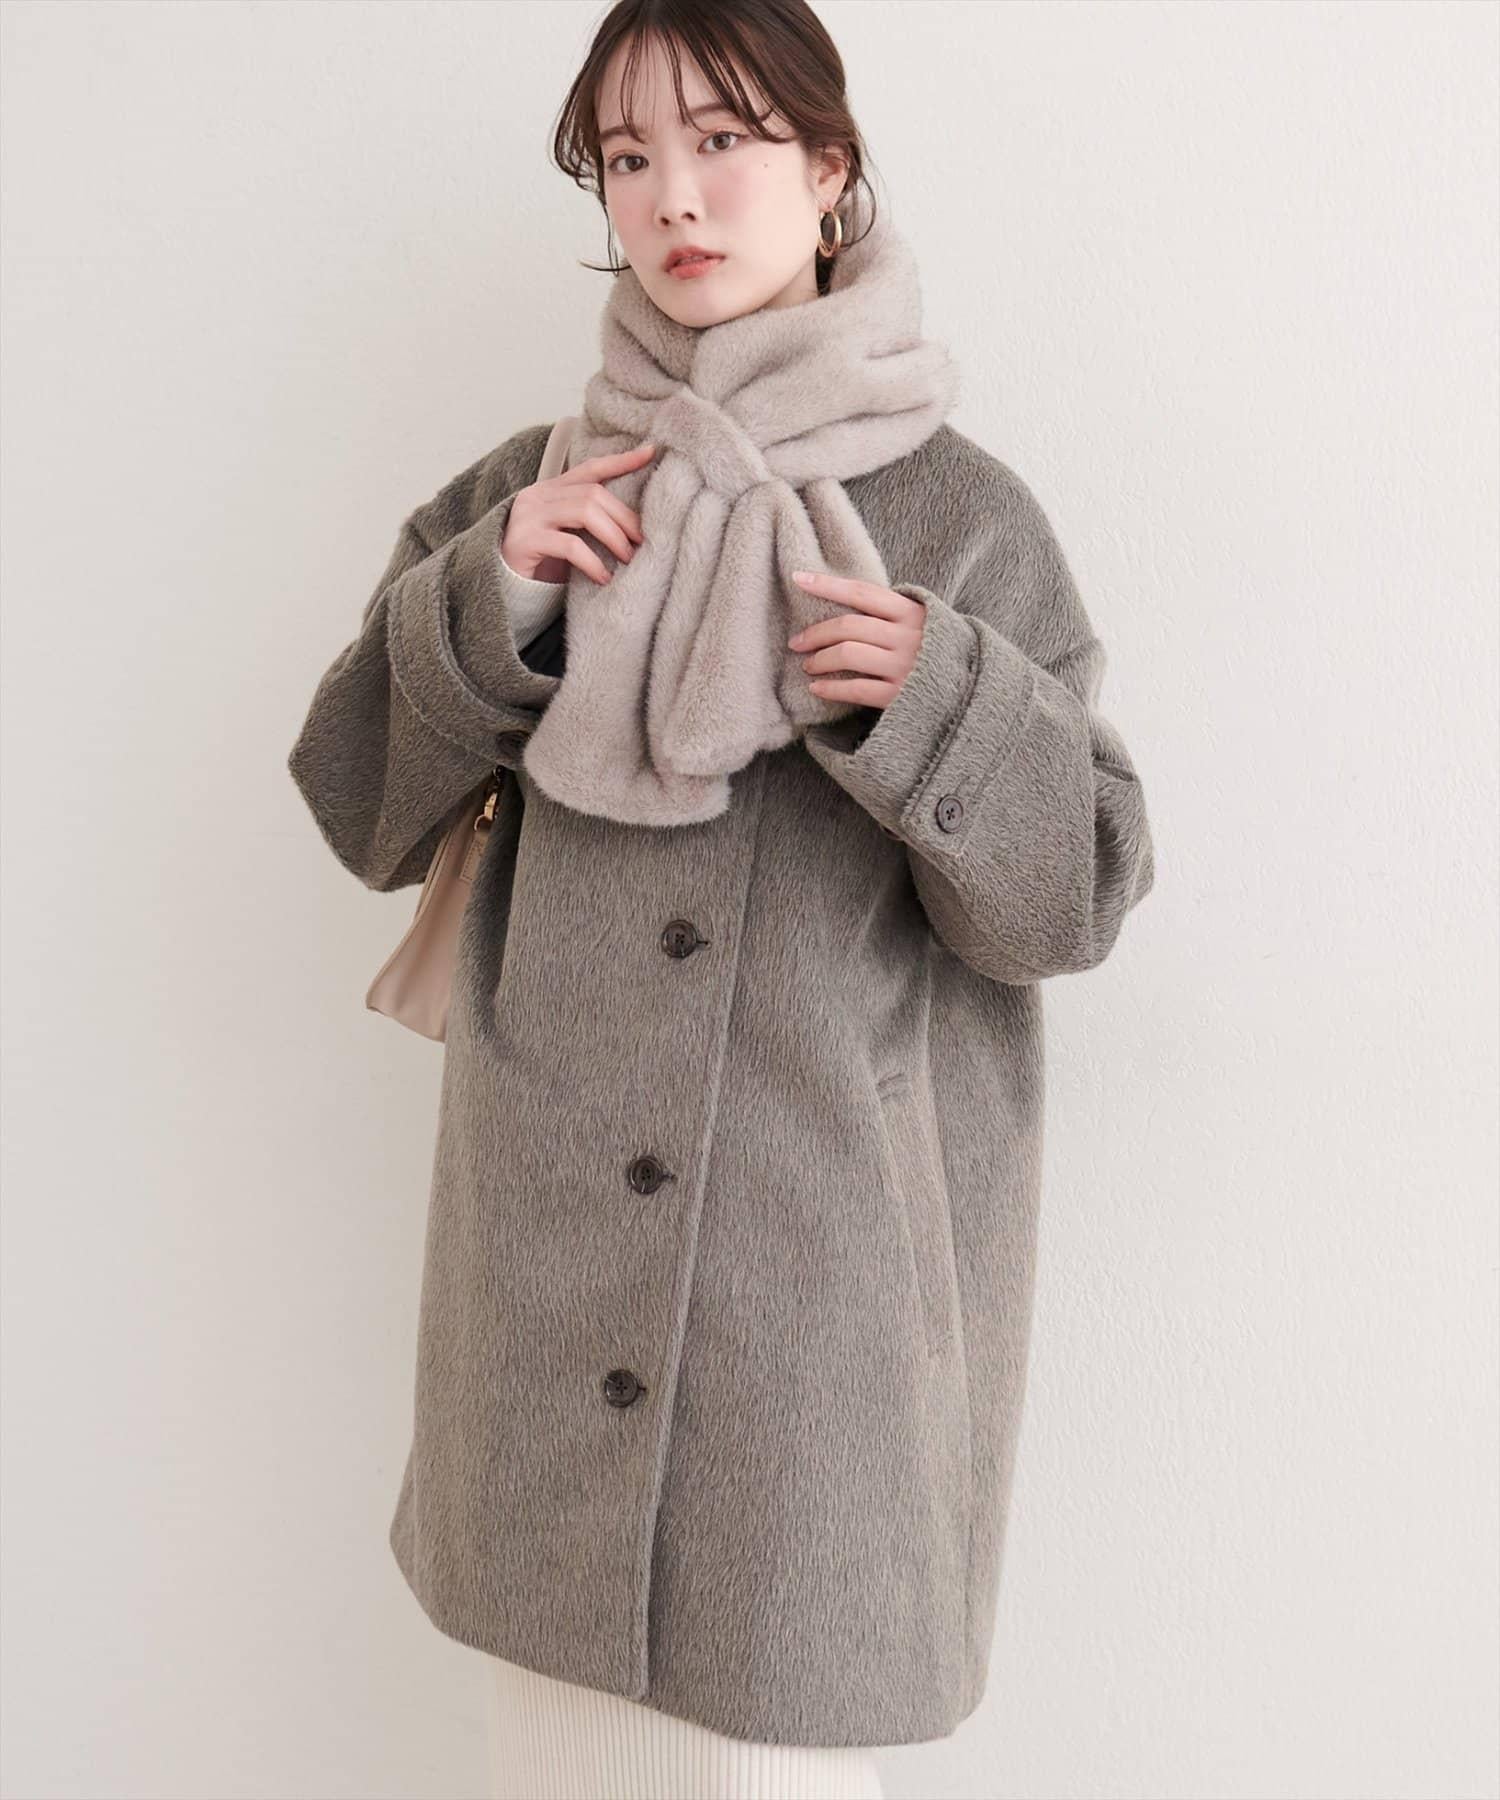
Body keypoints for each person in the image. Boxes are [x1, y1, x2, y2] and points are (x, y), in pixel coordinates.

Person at [287, 3, 1156, 1795]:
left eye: (724, 140)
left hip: (812, 1333)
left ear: (829, 169)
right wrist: (489, 609)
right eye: (628, 158)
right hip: (542, 1321)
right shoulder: (530, 492)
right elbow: (356, 806)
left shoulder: (964, 521)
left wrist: (941, 698)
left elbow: (1068, 904)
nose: (673, 196)